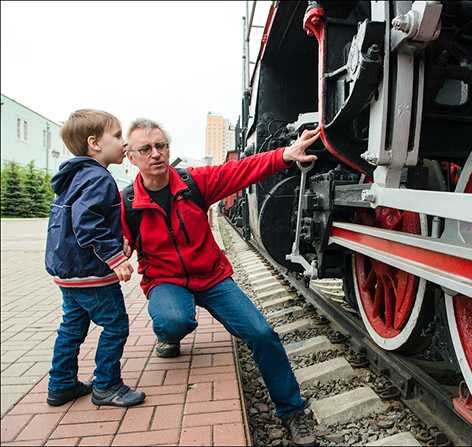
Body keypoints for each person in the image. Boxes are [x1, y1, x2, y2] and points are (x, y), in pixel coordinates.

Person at [122, 118, 320, 446]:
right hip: (165, 281)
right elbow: (113, 242)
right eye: (146, 149)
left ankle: (292, 411)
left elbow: (241, 170)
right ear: (132, 157)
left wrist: (286, 153)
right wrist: (117, 252)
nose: (156, 154)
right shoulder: (127, 203)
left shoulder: (193, 182)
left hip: (212, 278)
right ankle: (168, 337)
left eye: (161, 146)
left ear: (169, 149)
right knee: (175, 320)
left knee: (262, 334)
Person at [45, 109, 146, 408]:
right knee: (116, 325)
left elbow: (79, 223)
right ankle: (107, 385)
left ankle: (61, 384)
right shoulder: (98, 178)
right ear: (94, 143)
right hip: (92, 275)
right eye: (116, 136)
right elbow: (87, 222)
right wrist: (115, 257)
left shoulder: (74, 177)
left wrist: (116, 244)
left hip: (68, 273)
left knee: (72, 328)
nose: (124, 142)